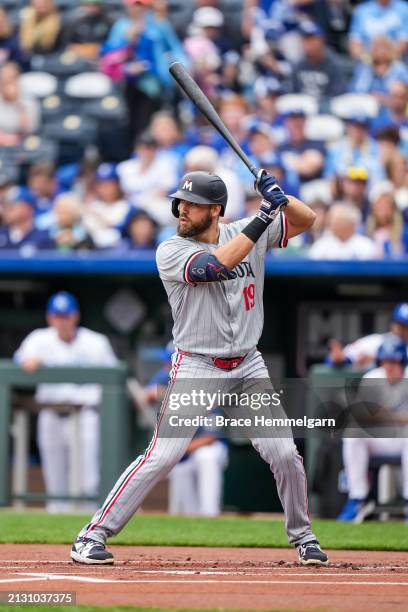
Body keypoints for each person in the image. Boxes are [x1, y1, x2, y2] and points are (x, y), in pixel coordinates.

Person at [71, 168, 328, 566]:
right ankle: (92, 535)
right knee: (163, 455)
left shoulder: (246, 231)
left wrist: (279, 194)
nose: (182, 210)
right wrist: (265, 213)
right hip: (197, 366)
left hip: (248, 366)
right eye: (181, 203)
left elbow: (307, 220)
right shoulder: (170, 250)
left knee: (284, 453)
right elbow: (216, 267)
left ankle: (304, 537)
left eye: (193, 205)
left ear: (216, 211)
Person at [14, 292, 118, 512]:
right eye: (57, 315)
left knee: (87, 479)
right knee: (55, 479)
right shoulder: (39, 339)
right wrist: (27, 360)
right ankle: (56, 534)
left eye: (66, 315)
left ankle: (87, 527)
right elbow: (19, 359)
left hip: (85, 414)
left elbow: (114, 375)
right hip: (51, 413)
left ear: (75, 316)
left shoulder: (96, 341)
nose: (62, 320)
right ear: (50, 317)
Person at [337, 334, 408, 523]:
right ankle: (357, 499)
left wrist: (389, 417)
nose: (389, 366)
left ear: (403, 361)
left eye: (394, 361)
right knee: (352, 434)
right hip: (381, 439)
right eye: (385, 361)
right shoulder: (372, 377)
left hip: (403, 440)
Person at [327, 303, 408, 369]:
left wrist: (376, 361)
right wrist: (340, 360)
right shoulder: (380, 341)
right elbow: (341, 357)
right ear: (393, 324)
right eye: (400, 325)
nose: (403, 330)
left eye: (406, 326)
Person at [289, 21, 349, 104]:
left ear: (322, 40)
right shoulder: (299, 64)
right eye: (305, 39)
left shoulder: (335, 64)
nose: (307, 43)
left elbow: (338, 95)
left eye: (311, 39)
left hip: (326, 112)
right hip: (302, 110)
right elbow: (291, 91)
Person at [309, 202, 376, 261]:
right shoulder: (322, 245)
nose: (332, 225)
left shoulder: (366, 245)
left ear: (350, 224)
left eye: (338, 221)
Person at [83, 163, 129, 248]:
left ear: (117, 185)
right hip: (92, 249)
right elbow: (87, 229)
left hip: (116, 251)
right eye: (102, 185)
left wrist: (100, 218)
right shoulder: (93, 205)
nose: (105, 188)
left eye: (109, 184)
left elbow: (119, 230)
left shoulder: (126, 206)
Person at [0, 186, 55, 252]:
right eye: (5, 205)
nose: (7, 209)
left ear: (29, 208)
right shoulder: (2, 233)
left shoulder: (43, 238)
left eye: (12, 205)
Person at [0, 62, 40, 148]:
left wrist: (18, 104)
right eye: (3, 79)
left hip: (21, 142)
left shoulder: (28, 101)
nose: (7, 84)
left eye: (11, 79)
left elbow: (30, 129)